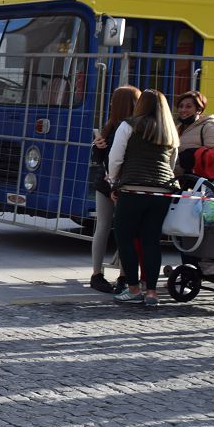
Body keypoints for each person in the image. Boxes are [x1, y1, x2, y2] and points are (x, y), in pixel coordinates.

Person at [108, 88, 180, 307]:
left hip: (133, 189)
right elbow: (172, 163)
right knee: (151, 241)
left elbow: (116, 157)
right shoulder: (170, 130)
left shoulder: (128, 125)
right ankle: (152, 293)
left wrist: (113, 182)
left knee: (125, 238)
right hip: (162, 191)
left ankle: (133, 289)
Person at [89, 86, 141, 294]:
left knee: (102, 228)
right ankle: (123, 276)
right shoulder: (134, 127)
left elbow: (97, 160)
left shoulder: (109, 126)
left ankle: (96, 274)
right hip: (123, 184)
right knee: (126, 230)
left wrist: (98, 147)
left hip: (105, 183)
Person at [175, 90, 214, 175]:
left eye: (188, 107)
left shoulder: (208, 127)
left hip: (197, 183)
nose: (183, 110)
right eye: (181, 106)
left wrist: (193, 159)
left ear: (199, 110)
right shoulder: (176, 129)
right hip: (175, 180)